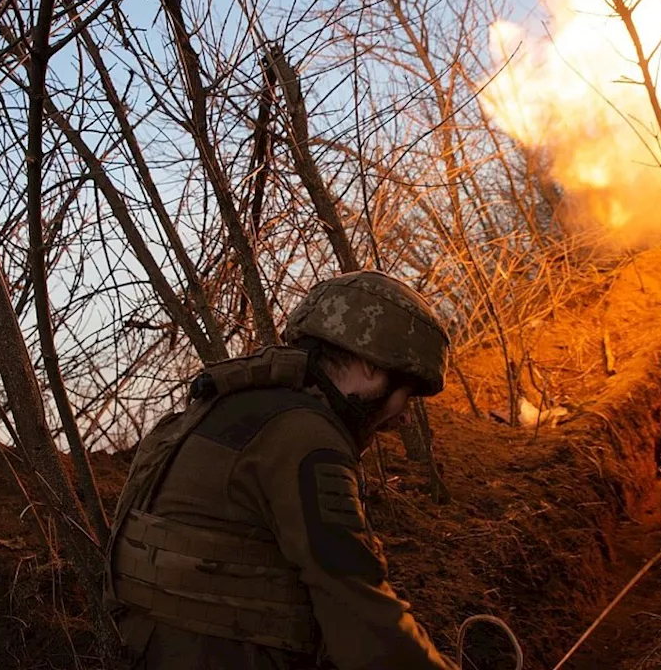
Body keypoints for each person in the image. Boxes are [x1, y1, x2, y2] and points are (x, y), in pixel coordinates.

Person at [104, 271, 459, 670]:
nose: (405, 417)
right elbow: (358, 611)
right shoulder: (304, 437)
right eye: (406, 394)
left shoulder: (240, 406)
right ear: (371, 367)